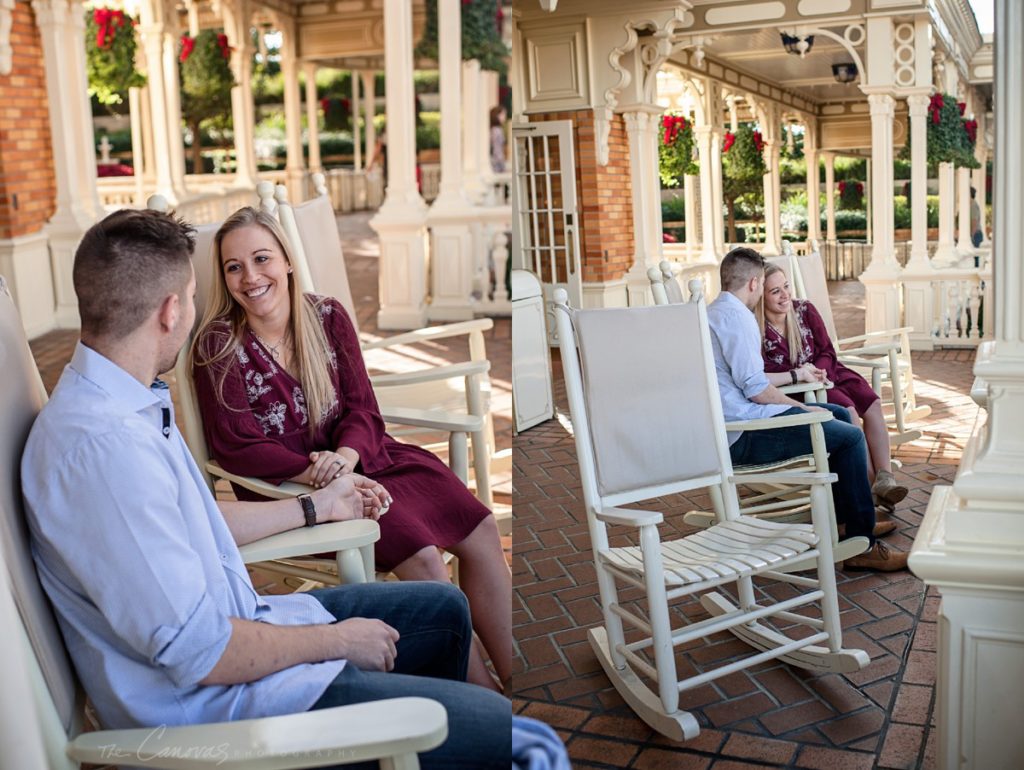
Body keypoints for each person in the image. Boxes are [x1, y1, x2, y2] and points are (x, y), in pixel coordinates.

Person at [21, 208, 511, 768]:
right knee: (502, 734)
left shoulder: (125, 401)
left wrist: (318, 506)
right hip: (233, 711)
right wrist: (337, 641)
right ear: (171, 310)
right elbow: (199, 653)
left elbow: (200, 518)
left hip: (251, 625)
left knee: (444, 610)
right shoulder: (103, 450)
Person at [190, 207, 511, 692]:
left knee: (481, 525)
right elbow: (237, 447)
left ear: (288, 261)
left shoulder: (327, 316)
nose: (250, 277)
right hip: (291, 489)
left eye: (261, 259)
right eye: (234, 267)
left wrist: (346, 458)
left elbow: (363, 407)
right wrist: (316, 473)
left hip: (373, 460)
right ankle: (484, 695)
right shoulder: (217, 346)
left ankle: (515, 674)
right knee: (423, 556)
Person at [706, 247, 908, 571]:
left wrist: (810, 409)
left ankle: (848, 521)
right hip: (743, 434)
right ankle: (862, 544)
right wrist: (803, 409)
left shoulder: (715, 311)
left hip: (740, 422)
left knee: (840, 415)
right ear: (756, 283)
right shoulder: (738, 318)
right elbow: (757, 390)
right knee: (850, 437)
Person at [758, 262, 909, 513]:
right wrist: (806, 376)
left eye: (786, 286)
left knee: (872, 403)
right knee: (848, 411)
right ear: (761, 296)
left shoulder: (804, 310)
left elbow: (827, 349)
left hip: (829, 371)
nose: (785, 294)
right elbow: (764, 371)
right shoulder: (759, 330)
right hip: (801, 388)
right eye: (775, 291)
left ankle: (886, 477)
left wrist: (819, 368)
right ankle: (870, 485)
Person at [490, 106, 507, 174]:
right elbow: (497, 149)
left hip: (495, 163)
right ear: (497, 115)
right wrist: (502, 164)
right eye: (503, 114)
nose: (504, 117)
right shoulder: (497, 130)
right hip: (497, 165)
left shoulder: (493, 129)